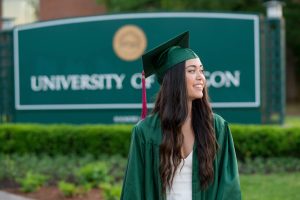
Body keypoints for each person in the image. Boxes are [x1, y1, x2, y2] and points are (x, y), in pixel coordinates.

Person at [121, 31, 241, 200]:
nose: (201, 77)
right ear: (174, 79)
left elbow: (229, 189)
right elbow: (134, 189)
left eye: (201, 70)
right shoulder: (145, 131)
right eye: (192, 71)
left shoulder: (217, 127)